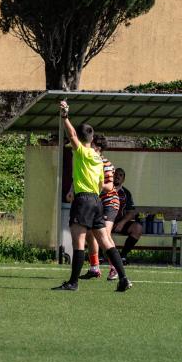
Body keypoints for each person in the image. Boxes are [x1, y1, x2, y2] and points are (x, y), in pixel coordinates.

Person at [52, 101, 131, 292]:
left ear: (79, 139)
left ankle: (73, 283)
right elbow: (100, 183)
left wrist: (65, 116)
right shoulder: (98, 159)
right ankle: (123, 278)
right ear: (92, 137)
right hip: (97, 201)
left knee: (78, 242)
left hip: (83, 200)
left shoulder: (82, 152)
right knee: (105, 241)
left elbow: (71, 135)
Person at [78, 134, 120, 280]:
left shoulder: (106, 164)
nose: (88, 146)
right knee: (90, 235)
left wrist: (95, 184)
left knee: (105, 235)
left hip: (109, 202)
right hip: (96, 203)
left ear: (98, 148)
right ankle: (94, 268)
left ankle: (115, 269)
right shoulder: (88, 161)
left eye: (92, 144)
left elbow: (109, 187)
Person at [112, 167, 143, 271]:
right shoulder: (104, 190)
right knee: (97, 228)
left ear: (123, 179)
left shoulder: (126, 193)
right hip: (105, 222)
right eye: (115, 174)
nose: (117, 176)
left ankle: (123, 256)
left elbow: (131, 212)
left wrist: (122, 222)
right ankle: (100, 256)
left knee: (137, 228)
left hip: (119, 223)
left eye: (120, 175)